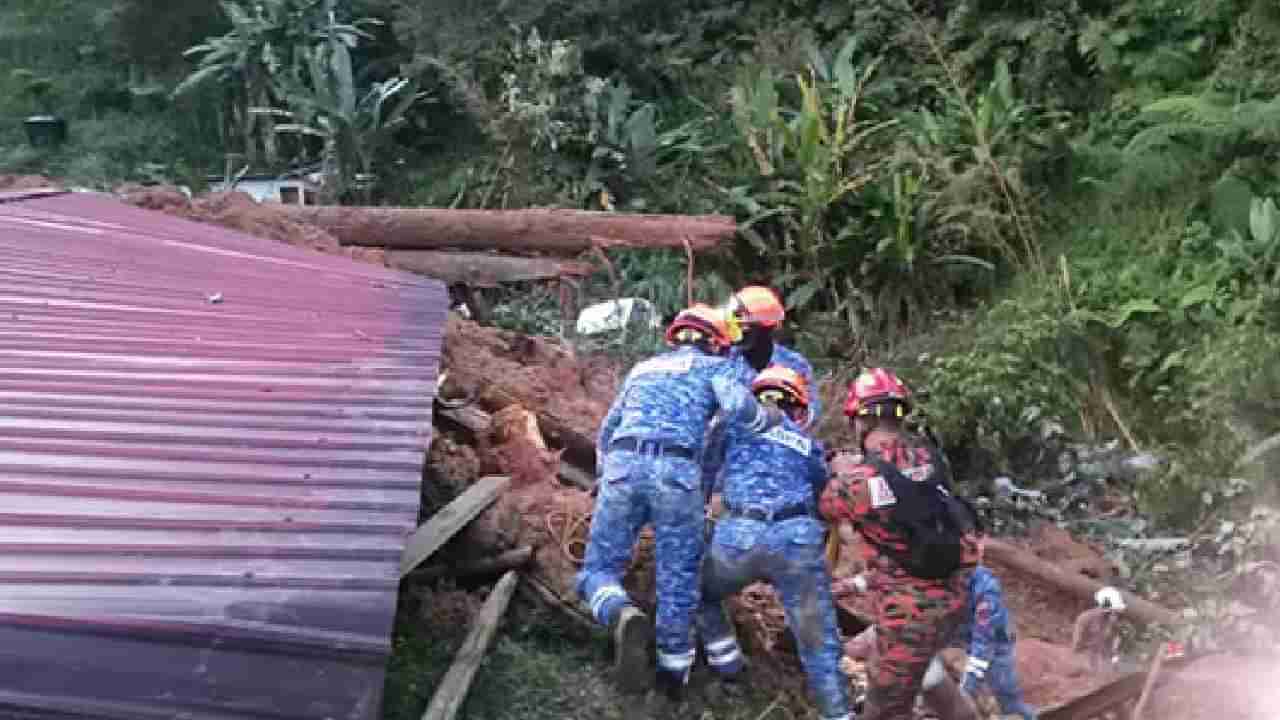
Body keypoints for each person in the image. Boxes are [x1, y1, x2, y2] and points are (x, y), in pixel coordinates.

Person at [576, 304, 785, 697]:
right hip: (676, 473)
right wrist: (771, 417)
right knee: (679, 579)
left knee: (597, 569)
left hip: (621, 466)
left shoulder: (642, 368)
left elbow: (606, 431)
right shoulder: (717, 369)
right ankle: (672, 678)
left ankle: (619, 611)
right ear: (716, 342)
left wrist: (608, 478)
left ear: (675, 336)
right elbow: (739, 410)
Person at [818, 368, 980, 720]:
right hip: (952, 594)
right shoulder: (930, 456)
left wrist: (841, 470)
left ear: (861, 422)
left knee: (885, 709)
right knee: (922, 669)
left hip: (909, 612)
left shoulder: (856, 482)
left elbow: (827, 506)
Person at [696, 365, 850, 720]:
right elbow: (823, 499)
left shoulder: (731, 426)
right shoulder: (807, 444)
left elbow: (704, 472)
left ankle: (728, 666)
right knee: (819, 641)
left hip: (739, 537)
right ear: (797, 406)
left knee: (696, 590)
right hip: (797, 542)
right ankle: (838, 713)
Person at [954, 558, 1038, 720]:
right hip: (958, 638)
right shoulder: (936, 574)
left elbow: (984, 641)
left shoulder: (986, 590)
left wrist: (969, 683)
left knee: (1007, 700)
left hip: (995, 643)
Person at [724, 285, 821, 422]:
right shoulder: (722, 362)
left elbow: (810, 415)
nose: (737, 329)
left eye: (743, 323)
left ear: (763, 327)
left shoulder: (795, 364)